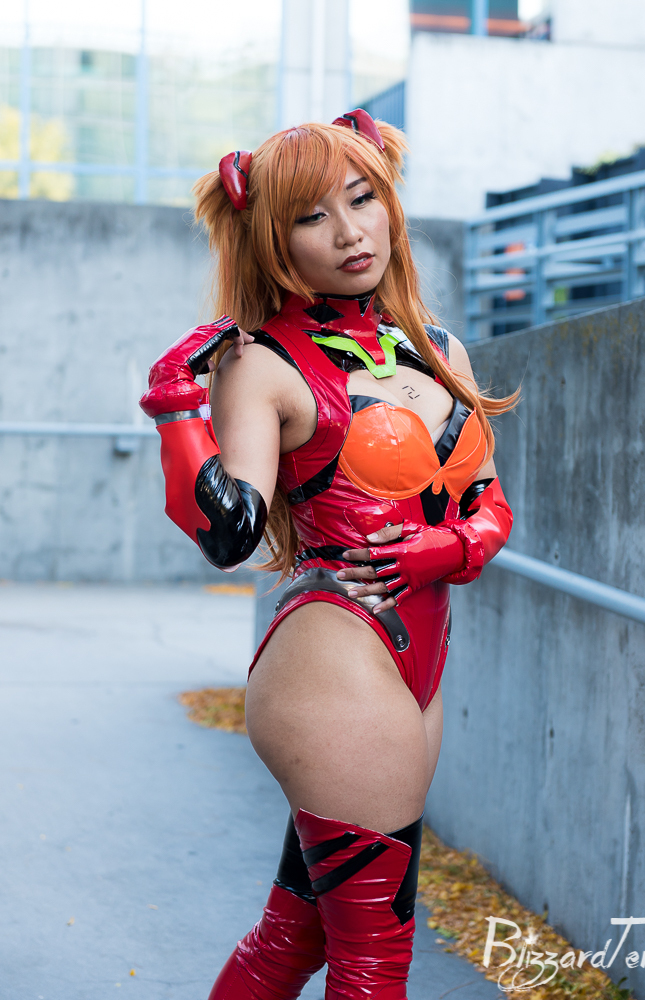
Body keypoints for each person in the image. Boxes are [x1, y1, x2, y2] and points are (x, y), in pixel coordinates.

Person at [140, 110, 518, 1000]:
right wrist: (175, 405)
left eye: (362, 199)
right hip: (335, 655)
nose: (350, 232)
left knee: (293, 939)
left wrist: (443, 548)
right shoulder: (262, 364)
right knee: (374, 960)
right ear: (274, 240)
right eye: (313, 216)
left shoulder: (439, 349)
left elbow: (490, 506)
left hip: (418, 658)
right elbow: (227, 534)